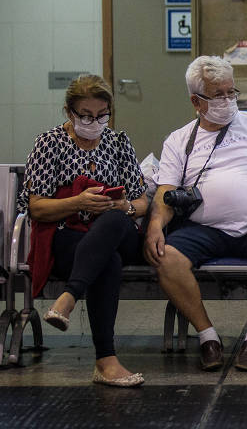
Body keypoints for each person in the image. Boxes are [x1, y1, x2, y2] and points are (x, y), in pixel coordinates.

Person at [144, 56, 247, 372]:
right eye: (218, 94)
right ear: (196, 101)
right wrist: (155, 224)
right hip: (204, 229)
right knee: (167, 259)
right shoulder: (180, 140)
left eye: (231, 92)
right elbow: (165, 193)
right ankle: (208, 336)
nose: (228, 100)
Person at [19, 74, 149, 387]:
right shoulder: (49, 144)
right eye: (86, 116)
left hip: (117, 231)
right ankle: (106, 361)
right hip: (70, 237)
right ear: (69, 112)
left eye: (102, 115)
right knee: (108, 261)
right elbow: (36, 207)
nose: (95, 122)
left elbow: (142, 200)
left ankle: (68, 297)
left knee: (115, 219)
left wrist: (125, 208)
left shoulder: (118, 142)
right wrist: (78, 201)